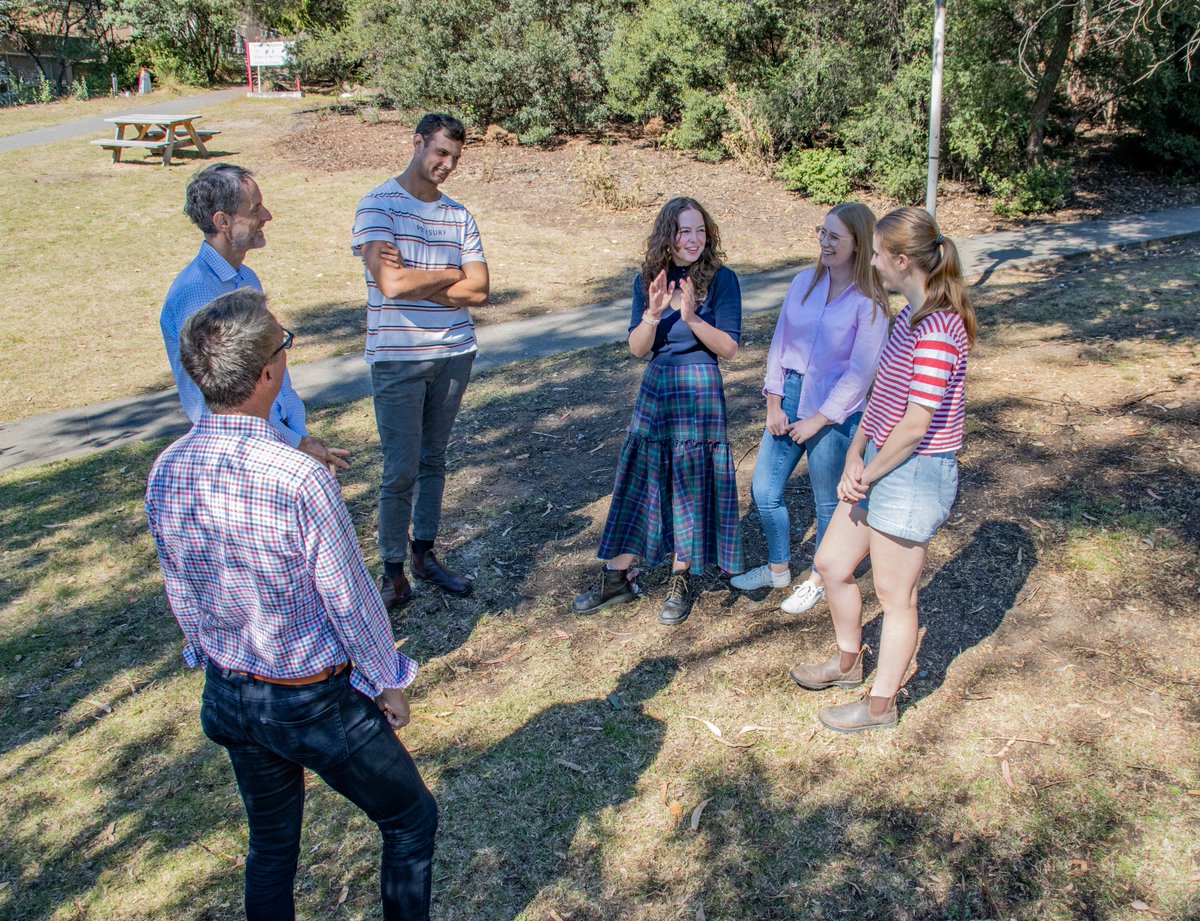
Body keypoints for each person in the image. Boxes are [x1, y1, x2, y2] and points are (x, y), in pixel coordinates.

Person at [146, 289, 438, 921]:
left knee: (272, 848)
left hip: (230, 694)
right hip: (310, 701)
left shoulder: (167, 468)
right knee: (411, 819)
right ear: (268, 373)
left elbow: (180, 585)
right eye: (285, 344)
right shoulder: (299, 477)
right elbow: (349, 596)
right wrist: (386, 679)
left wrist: (208, 655)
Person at [789, 207, 977, 733]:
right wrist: (857, 452)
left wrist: (867, 473)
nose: (871, 262)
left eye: (876, 254)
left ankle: (880, 706)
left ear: (902, 261)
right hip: (878, 460)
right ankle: (848, 663)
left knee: (896, 598)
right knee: (831, 564)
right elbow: (883, 397)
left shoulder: (939, 329)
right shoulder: (907, 319)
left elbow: (916, 425)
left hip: (914, 474)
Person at [572, 197, 743, 626]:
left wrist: (692, 317)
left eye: (701, 230)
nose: (695, 239)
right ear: (669, 235)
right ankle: (616, 578)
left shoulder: (722, 280)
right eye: (685, 231)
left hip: (700, 389)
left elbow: (730, 348)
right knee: (643, 481)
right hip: (658, 386)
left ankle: (679, 578)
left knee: (689, 482)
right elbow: (637, 349)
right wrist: (652, 313)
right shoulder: (650, 279)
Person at [352, 112, 489, 611]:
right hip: (398, 358)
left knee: (434, 459)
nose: (447, 164)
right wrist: (451, 273)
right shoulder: (378, 205)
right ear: (418, 143)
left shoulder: (458, 215)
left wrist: (420, 278)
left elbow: (480, 289)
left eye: (455, 157)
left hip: (453, 353)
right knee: (400, 468)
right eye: (440, 152)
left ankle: (424, 554)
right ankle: (393, 573)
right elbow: (391, 284)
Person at [731, 203, 889, 613]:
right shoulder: (803, 282)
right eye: (822, 232)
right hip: (790, 394)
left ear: (859, 244)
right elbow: (779, 344)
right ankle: (778, 568)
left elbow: (860, 374)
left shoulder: (870, 303)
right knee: (764, 490)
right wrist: (773, 402)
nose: (824, 242)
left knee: (827, 503)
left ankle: (819, 579)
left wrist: (818, 420)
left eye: (835, 236)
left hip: (836, 410)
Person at [161, 163, 348, 474]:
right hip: (242, 454)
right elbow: (216, 401)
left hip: (276, 440)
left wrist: (298, 434)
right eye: (255, 209)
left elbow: (272, 361)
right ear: (222, 221)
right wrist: (295, 443)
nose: (267, 216)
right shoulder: (196, 292)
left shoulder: (245, 277)